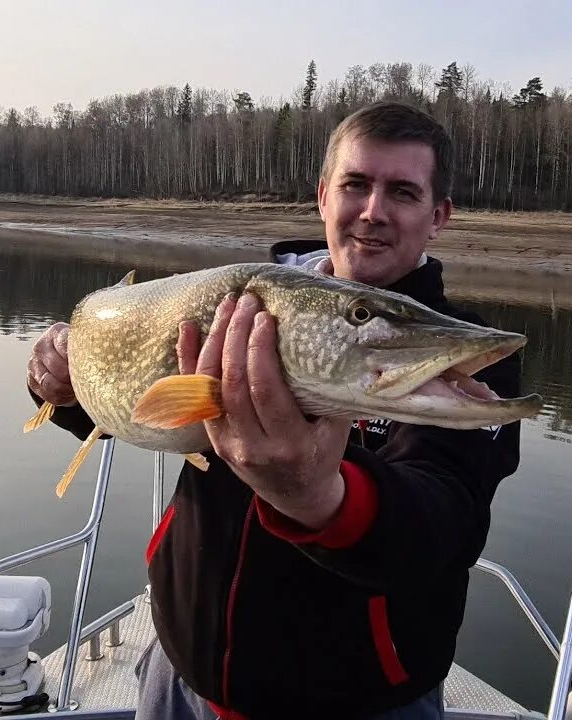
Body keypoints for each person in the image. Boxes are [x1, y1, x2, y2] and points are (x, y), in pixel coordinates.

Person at [26, 102, 524, 720]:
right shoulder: (242, 310)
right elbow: (149, 403)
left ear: (437, 215)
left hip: (363, 704)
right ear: (322, 197)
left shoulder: (466, 366)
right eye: (356, 185)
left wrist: (322, 498)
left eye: (402, 191)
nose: (373, 211)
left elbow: (445, 520)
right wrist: (62, 387)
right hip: (186, 678)